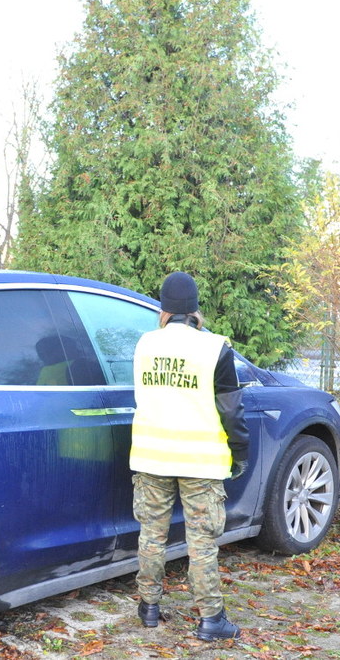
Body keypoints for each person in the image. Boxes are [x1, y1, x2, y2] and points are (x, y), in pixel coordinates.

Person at [130, 271, 249, 641]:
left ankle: (148, 607)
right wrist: (240, 451)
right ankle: (211, 620)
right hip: (200, 461)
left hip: (151, 457)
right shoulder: (214, 348)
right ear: (195, 309)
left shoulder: (145, 344)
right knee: (201, 543)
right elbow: (231, 410)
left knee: (151, 535)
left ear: (163, 310)